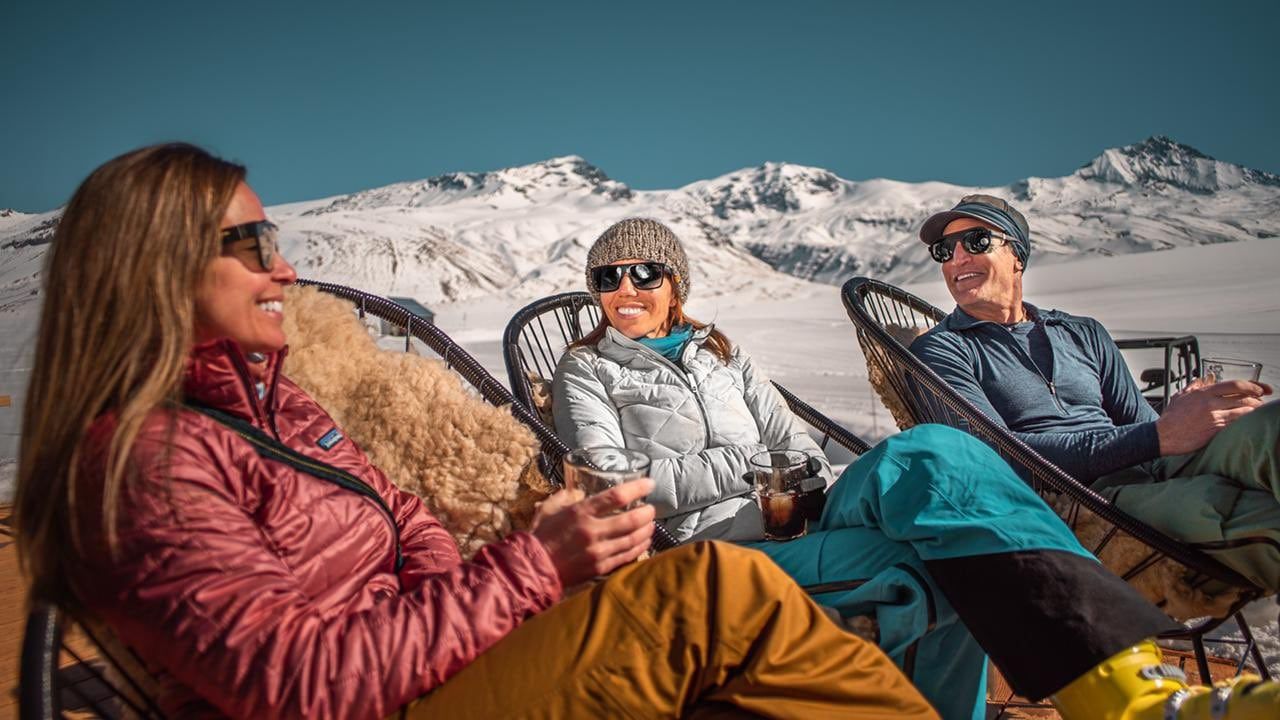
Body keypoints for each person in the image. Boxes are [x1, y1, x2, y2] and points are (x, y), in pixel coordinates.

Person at [14, 144, 940, 720]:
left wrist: (459, 595)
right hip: (399, 695)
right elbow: (296, 683)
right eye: (254, 247)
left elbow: (407, 519)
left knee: (923, 507)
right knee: (714, 591)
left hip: (434, 660)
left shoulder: (276, 409)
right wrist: (532, 570)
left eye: (646, 275)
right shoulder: (151, 462)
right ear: (156, 266)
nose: (286, 272)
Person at [553, 217, 1280, 720]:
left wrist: (789, 471)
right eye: (608, 276)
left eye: (645, 272)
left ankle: (1122, 695)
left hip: (799, 518)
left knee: (942, 452)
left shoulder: (721, 353)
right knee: (955, 553)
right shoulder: (585, 372)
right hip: (709, 548)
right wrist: (745, 466)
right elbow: (613, 492)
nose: (627, 289)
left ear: (674, 281)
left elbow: (797, 447)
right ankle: (1124, 696)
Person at [908, 194, 1280, 592]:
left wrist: (1186, 416)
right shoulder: (942, 350)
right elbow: (995, 462)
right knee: (1255, 516)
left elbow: (1143, 427)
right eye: (944, 250)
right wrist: (1159, 436)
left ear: (1017, 255)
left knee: (1270, 425)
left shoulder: (1082, 332)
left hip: (1150, 468)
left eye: (976, 241)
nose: (957, 258)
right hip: (1083, 506)